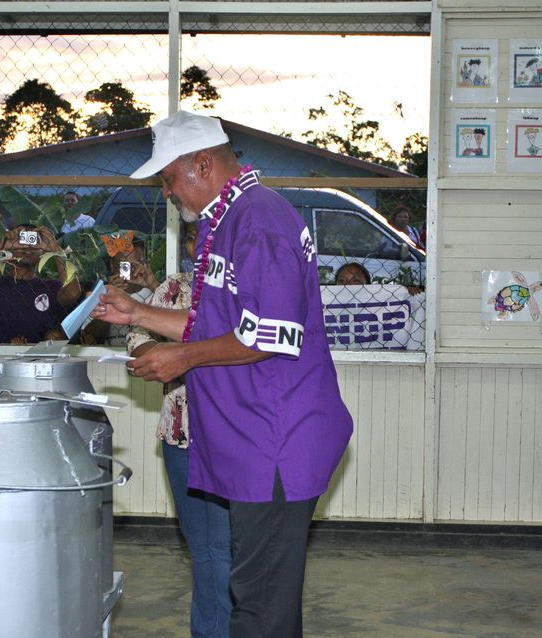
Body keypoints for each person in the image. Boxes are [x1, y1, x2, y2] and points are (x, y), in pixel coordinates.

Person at [91, 110, 352, 638]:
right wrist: (138, 314)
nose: (166, 193)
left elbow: (273, 335)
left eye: (167, 179)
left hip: (278, 439)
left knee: (260, 608)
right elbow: (219, 322)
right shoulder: (226, 219)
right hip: (255, 436)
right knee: (256, 595)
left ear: (202, 164)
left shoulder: (259, 221)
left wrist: (180, 359)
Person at [127, 220, 231, 638]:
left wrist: (181, 353)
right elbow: (139, 345)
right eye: (191, 238)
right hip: (180, 436)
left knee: (225, 549)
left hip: (229, 437)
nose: (198, 245)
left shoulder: (239, 291)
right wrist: (188, 353)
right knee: (201, 549)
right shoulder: (172, 289)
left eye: (207, 237)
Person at [0, 224, 80, 344]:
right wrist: (1, 246)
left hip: (39, 358)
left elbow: (73, 293)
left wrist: (55, 249)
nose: (27, 247)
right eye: (22, 240)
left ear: (42, 251)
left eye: (33, 241)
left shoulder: (51, 287)